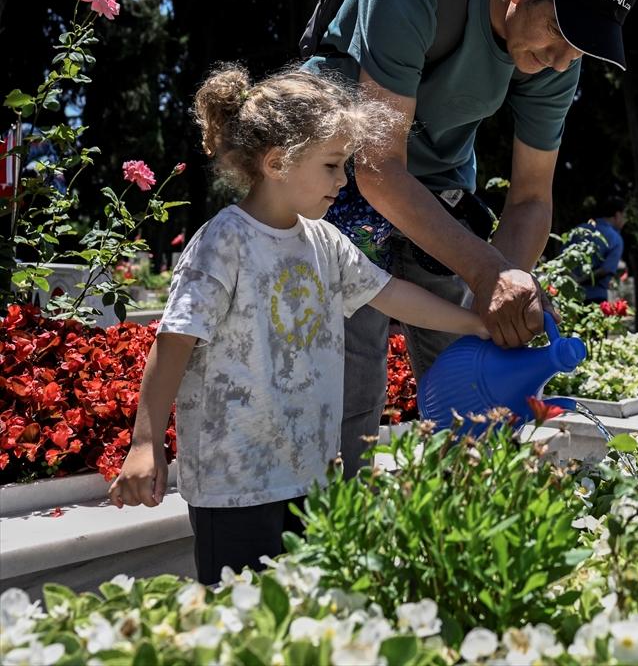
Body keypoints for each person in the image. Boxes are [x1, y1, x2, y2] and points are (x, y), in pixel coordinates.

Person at [107, 67, 488, 585]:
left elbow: (391, 294)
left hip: (312, 479)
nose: (343, 180)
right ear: (277, 162)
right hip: (234, 487)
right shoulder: (225, 242)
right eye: (332, 165)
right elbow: (174, 341)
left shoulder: (325, 242)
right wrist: (145, 444)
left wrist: (475, 322)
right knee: (239, 618)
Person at [305, 0, 638, 473]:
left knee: (470, 374)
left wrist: (502, 294)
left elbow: (531, 199)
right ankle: (335, 506)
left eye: (580, 48)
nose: (562, 61)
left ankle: (467, 508)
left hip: (435, 191)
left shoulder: (556, 55)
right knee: (353, 368)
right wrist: (487, 272)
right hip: (339, 176)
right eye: (559, 34)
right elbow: (379, 169)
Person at [571, 195, 626, 303]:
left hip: (570, 296)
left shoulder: (579, 229)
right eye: (624, 215)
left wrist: (573, 280)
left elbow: (561, 259)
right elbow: (606, 270)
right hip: (595, 297)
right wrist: (580, 280)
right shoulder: (615, 238)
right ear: (618, 215)